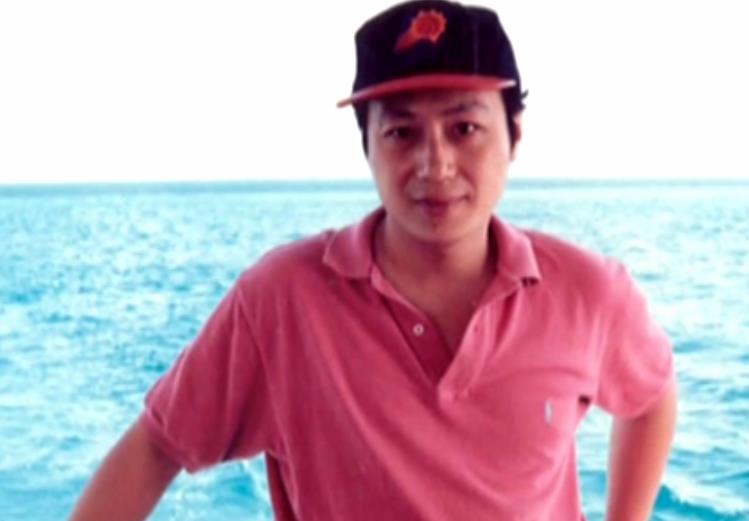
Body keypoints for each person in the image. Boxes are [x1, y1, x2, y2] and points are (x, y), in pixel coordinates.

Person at [69, 1, 677, 520]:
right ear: (367, 145)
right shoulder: (281, 300)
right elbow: (157, 445)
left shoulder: (589, 292)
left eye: (464, 128)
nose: (434, 164)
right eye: (401, 133)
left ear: (514, 134)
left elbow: (651, 397)